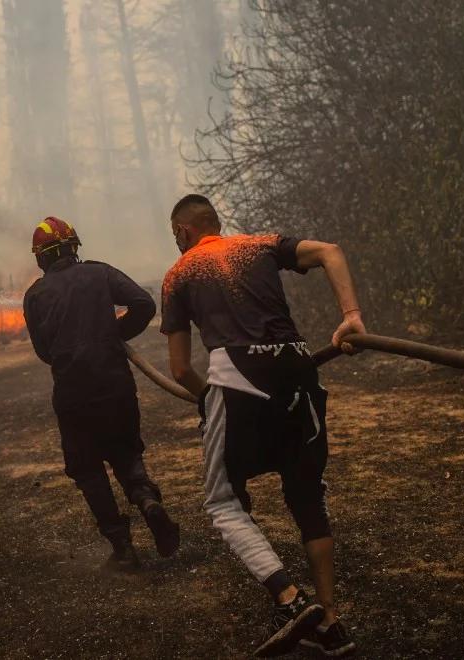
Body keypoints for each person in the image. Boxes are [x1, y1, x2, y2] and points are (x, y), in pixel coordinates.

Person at [160, 195, 363, 657]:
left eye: (175, 234)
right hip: (297, 369)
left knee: (223, 500)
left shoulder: (179, 274)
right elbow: (331, 251)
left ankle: (290, 601)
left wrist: (209, 401)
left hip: (236, 378)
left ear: (184, 232)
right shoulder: (259, 245)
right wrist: (351, 317)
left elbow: (178, 370)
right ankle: (331, 621)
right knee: (307, 493)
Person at [23, 216, 181, 571]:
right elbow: (144, 303)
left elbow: (43, 351)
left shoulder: (34, 295)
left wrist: (76, 349)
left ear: (41, 258)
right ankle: (146, 501)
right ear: (74, 248)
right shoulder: (99, 273)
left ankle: (123, 548)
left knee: (88, 469)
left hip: (73, 395)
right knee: (125, 453)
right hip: (116, 386)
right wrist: (113, 334)